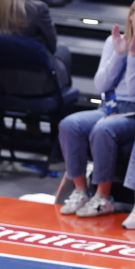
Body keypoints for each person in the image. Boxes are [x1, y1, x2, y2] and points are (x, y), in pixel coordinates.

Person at [58, 2, 135, 219]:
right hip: (110, 107)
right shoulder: (114, 41)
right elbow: (100, 85)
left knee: (104, 129)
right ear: (131, 17)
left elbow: (133, 90)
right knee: (70, 125)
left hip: (132, 113)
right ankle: (81, 191)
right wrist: (118, 55)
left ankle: (104, 197)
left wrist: (131, 57)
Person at [0, 0, 71, 95]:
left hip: (6, 84)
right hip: (39, 86)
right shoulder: (37, 8)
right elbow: (52, 46)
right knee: (63, 51)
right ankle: (61, 99)